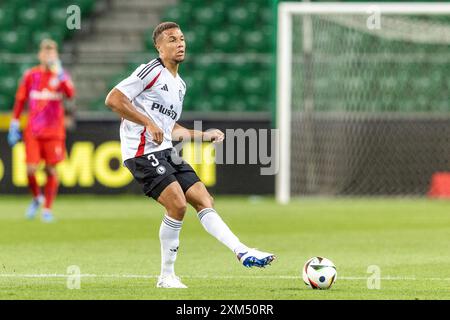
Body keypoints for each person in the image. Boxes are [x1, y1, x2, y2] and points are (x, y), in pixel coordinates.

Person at [105, 22, 275, 289]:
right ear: (159, 48)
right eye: (172, 40)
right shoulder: (150, 71)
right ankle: (166, 276)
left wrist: (202, 135)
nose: (180, 43)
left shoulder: (180, 85)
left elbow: (170, 127)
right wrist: (146, 123)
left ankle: (242, 251)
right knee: (178, 204)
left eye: (182, 38)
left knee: (203, 198)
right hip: (140, 152)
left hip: (164, 150)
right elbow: (113, 99)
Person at [7, 39, 76, 222]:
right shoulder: (31, 75)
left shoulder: (61, 76)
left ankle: (47, 209)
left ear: (56, 56)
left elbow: (70, 94)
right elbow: (20, 99)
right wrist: (14, 122)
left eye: (52, 53)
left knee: (51, 170)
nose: (48, 57)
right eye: (45, 53)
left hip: (54, 131)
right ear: (40, 55)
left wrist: (60, 74)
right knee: (30, 169)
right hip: (34, 131)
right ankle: (37, 197)